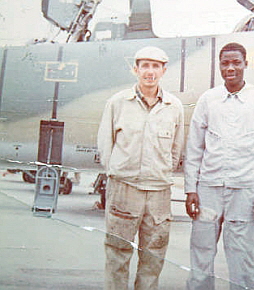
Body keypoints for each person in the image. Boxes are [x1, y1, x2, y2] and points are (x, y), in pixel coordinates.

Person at [184, 42, 254, 289]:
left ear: (246, 64)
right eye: (225, 63)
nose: (230, 68)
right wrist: (190, 189)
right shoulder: (208, 99)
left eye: (236, 62)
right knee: (201, 255)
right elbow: (194, 147)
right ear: (219, 66)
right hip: (208, 190)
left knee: (242, 259)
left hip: (244, 191)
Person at [97, 46, 184, 290]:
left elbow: (176, 150)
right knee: (117, 254)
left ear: (164, 71)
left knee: (153, 257)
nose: (150, 71)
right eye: (145, 65)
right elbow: (106, 145)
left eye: (156, 66)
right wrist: (119, 173)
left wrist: (159, 173)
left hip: (158, 193)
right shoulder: (117, 103)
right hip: (125, 189)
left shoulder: (173, 106)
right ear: (135, 69)